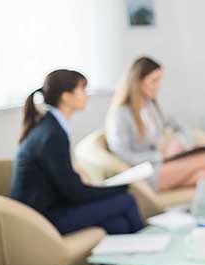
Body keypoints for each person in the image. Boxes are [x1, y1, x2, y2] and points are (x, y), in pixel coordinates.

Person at [10, 69, 144, 236]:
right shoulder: (53, 135)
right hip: (44, 219)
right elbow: (75, 193)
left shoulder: (49, 127)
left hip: (51, 209)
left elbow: (68, 185)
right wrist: (119, 188)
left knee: (119, 224)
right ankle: (150, 257)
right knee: (127, 200)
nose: (86, 95)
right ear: (66, 96)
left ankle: (127, 260)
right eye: (82, 89)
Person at [106, 56, 205, 192]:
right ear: (138, 82)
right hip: (146, 173)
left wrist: (182, 143)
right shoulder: (120, 114)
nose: (159, 86)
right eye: (154, 81)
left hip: (163, 166)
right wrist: (160, 156)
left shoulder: (151, 107)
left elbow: (180, 125)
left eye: (160, 80)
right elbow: (123, 155)